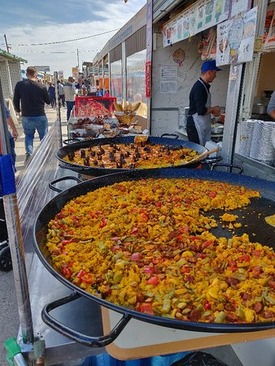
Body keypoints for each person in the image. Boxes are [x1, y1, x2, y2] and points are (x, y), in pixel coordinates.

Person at [13, 66, 50, 159]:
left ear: (26, 74)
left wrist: (17, 110)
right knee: (43, 137)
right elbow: (48, 101)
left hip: (26, 115)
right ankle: (44, 155)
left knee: (29, 136)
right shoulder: (41, 86)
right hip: (40, 114)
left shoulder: (20, 85)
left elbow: (15, 99)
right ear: (36, 74)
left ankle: (29, 153)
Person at [186, 60, 221, 146]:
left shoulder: (203, 86)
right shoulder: (199, 87)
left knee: (202, 151)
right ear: (209, 72)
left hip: (200, 124)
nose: (215, 76)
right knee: (198, 152)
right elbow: (201, 110)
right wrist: (213, 109)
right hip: (196, 125)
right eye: (214, 73)